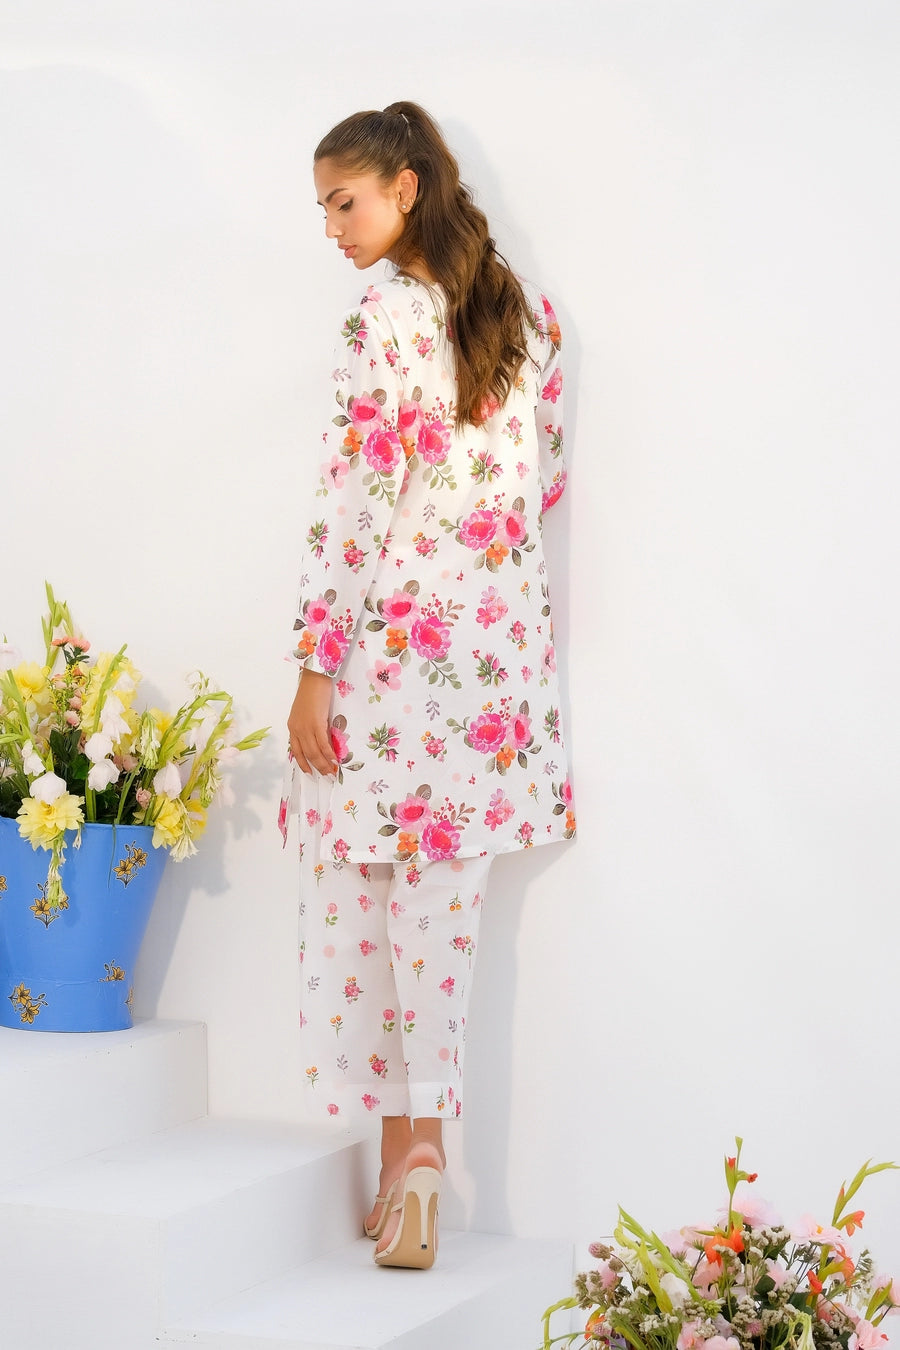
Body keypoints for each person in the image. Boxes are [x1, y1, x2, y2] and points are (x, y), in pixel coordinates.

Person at [282, 100, 575, 1270]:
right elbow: (544, 486)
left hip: (397, 657)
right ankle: (416, 1163)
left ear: (406, 187)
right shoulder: (529, 315)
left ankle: (413, 1161)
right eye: (323, 211)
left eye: (343, 202)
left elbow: (355, 501)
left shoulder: (383, 318)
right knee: (439, 919)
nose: (332, 229)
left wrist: (315, 665)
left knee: (371, 909)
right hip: (496, 674)